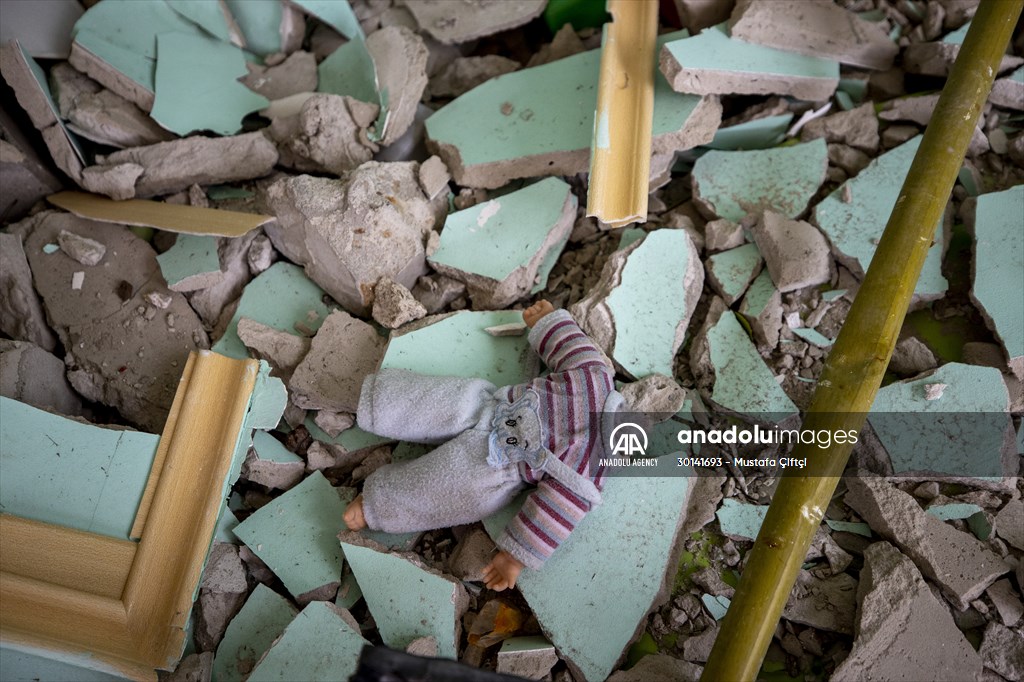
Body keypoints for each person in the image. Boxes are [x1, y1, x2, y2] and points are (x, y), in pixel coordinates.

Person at [343, 300, 621, 590]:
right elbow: (572, 348)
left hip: (498, 465)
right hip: (491, 407)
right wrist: (549, 322)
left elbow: (556, 512)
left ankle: (377, 504)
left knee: (441, 488)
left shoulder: (586, 470)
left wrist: (515, 557)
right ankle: (376, 401)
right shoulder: (594, 380)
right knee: (433, 399)